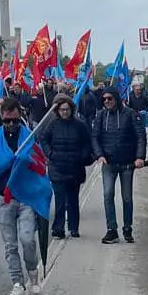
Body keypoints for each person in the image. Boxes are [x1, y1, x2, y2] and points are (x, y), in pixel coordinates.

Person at [0, 97, 41, 295]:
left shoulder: (29, 138)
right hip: (4, 197)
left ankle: (32, 270)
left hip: (26, 196)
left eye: (15, 120)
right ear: (1, 117)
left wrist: (26, 160)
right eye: (7, 121)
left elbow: (40, 163)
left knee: (28, 239)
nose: (11, 125)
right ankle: (17, 284)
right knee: (10, 244)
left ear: (20, 117)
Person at [91, 89, 146, 244]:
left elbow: (140, 136)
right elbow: (95, 137)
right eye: (104, 99)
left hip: (127, 163)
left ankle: (127, 228)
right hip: (108, 163)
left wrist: (140, 157)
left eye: (109, 98)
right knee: (108, 195)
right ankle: (111, 229)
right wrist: (99, 155)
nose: (107, 101)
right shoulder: (101, 115)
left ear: (116, 98)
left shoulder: (130, 114)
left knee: (127, 198)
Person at [38, 94, 94, 239]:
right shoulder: (53, 124)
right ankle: (58, 228)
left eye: (67, 109)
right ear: (58, 111)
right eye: (62, 110)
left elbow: (88, 142)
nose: (64, 112)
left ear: (71, 109)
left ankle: (74, 228)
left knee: (73, 200)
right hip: (57, 167)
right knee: (60, 200)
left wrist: (82, 156)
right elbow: (43, 139)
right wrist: (50, 153)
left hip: (74, 167)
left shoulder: (80, 125)